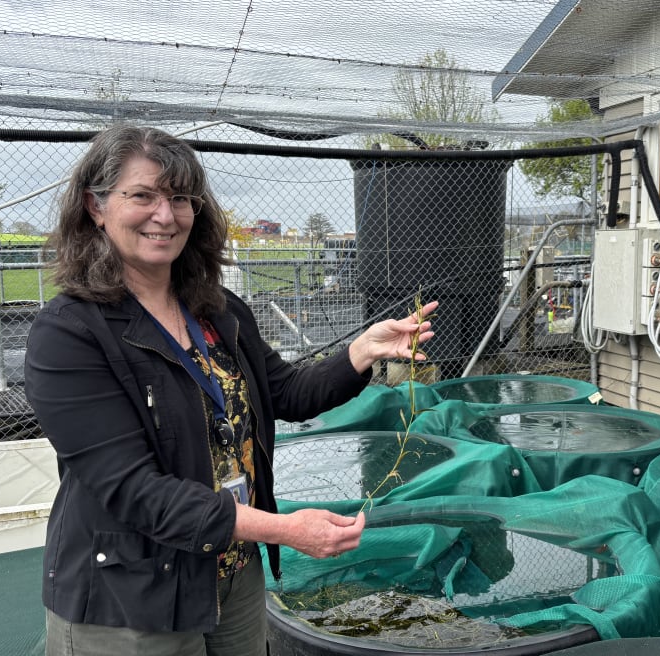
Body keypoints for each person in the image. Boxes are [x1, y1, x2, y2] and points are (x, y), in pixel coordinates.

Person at [24, 124, 438, 656]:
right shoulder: (70, 334)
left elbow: (286, 392)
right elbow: (134, 491)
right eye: (142, 196)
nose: (165, 215)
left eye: (180, 198)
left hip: (230, 570)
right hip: (132, 593)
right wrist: (282, 528)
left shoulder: (216, 309)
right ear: (96, 207)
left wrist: (362, 352)